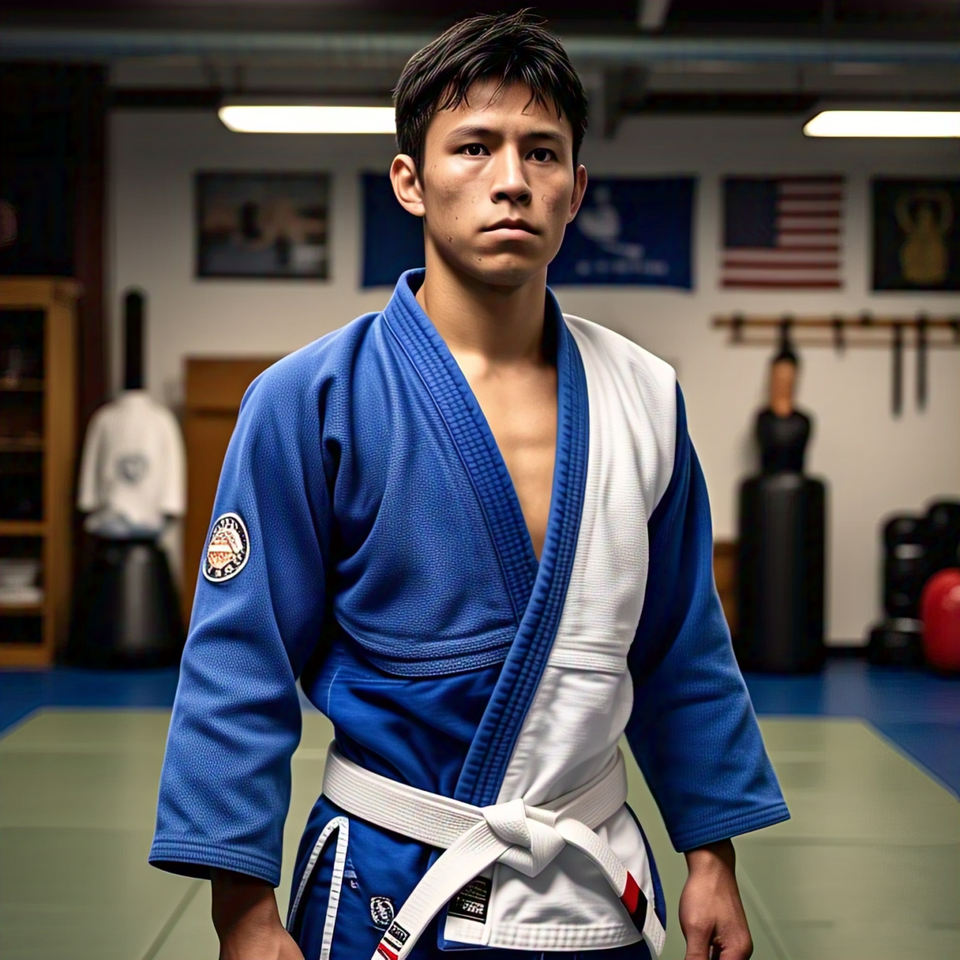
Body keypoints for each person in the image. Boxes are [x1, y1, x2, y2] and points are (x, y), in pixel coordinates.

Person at [149, 12, 789, 960]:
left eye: (542, 152)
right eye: (475, 147)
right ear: (410, 180)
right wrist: (242, 909)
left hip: (592, 883)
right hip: (388, 881)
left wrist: (713, 857)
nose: (511, 180)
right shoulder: (309, 400)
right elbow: (239, 662)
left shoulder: (645, 397)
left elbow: (681, 647)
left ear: (576, 190)